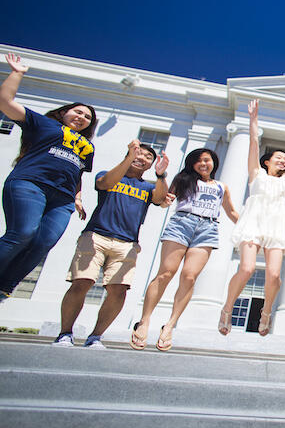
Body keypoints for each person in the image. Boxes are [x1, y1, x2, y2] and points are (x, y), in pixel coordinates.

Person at [218, 101, 285, 336]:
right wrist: (253, 119)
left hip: (277, 226)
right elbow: (253, 143)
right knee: (246, 268)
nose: (283, 160)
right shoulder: (255, 174)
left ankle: (266, 311)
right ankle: (227, 308)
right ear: (266, 162)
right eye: (278, 157)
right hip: (253, 223)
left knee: (274, 274)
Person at [52, 141, 169, 348]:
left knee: (119, 290)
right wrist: (128, 159)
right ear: (129, 155)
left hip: (127, 244)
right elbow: (104, 183)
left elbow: (160, 199)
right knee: (82, 282)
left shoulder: (148, 186)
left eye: (148, 157)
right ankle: (65, 333)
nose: (142, 158)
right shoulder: (109, 174)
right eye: (138, 154)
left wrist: (161, 176)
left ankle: (95, 336)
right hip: (96, 236)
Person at [0, 53, 97, 301]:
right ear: (64, 113)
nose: (82, 117)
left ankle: (4, 288)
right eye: (78, 112)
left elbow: (78, 172)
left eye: (87, 117)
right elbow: (5, 101)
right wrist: (17, 73)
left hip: (63, 200)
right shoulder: (44, 124)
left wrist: (77, 197)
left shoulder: (87, 146)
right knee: (22, 233)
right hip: (31, 184)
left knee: (43, 243)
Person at [130, 148, 239, 351]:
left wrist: (249, 229)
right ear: (192, 164)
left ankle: (169, 325)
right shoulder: (184, 179)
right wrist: (161, 180)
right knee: (166, 273)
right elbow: (163, 202)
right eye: (198, 161)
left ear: (214, 162)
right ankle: (144, 321)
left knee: (189, 277)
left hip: (208, 229)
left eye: (207, 160)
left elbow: (231, 211)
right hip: (182, 223)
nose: (203, 164)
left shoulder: (221, 186)